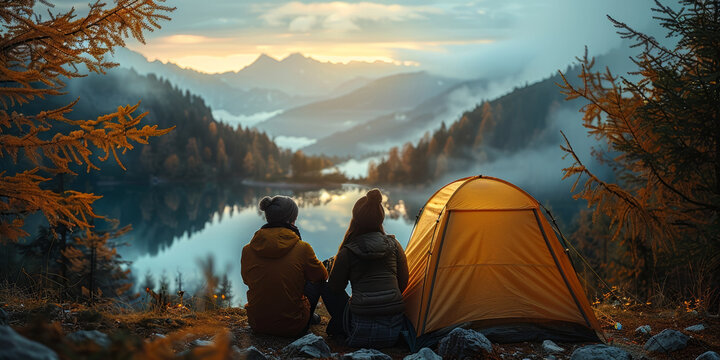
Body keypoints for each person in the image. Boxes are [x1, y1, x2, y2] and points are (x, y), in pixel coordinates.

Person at [325, 188, 409, 348]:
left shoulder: (347, 251)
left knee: (325, 286)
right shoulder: (394, 245)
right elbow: (403, 284)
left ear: (355, 218)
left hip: (358, 331)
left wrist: (330, 269)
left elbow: (335, 288)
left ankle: (339, 329)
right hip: (393, 330)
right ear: (381, 218)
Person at [241, 195, 328, 337]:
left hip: (257, 324)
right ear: (291, 220)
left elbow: (247, 280)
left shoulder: (247, 250)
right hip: (293, 326)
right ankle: (306, 317)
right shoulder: (302, 248)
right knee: (316, 277)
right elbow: (322, 276)